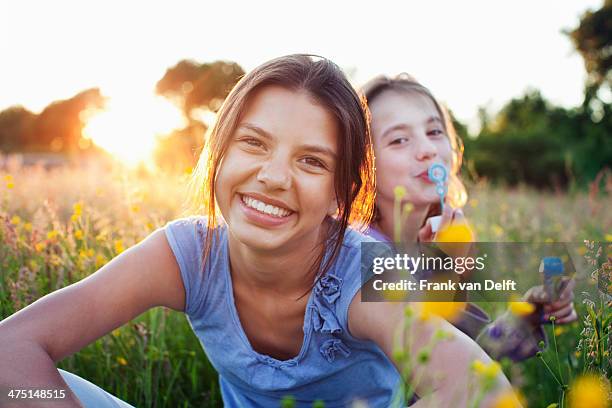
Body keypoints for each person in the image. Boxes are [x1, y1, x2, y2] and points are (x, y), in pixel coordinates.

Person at [0, 55, 515, 408]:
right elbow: (11, 348)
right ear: (219, 153)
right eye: (253, 143)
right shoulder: (188, 253)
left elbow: (482, 390)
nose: (273, 176)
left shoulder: (362, 275)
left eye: (311, 160)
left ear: (342, 193)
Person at [361, 74, 577, 361]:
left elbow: (474, 355)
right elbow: (424, 366)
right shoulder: (358, 255)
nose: (427, 150)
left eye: (435, 132)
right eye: (399, 139)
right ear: (362, 162)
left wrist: (527, 316)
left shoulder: (428, 248)